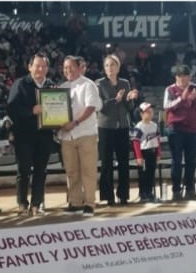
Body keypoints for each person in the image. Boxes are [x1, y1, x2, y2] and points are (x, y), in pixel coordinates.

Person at [5, 53, 57, 215]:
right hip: (24, 136)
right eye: (37, 65)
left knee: (41, 171)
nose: (40, 69)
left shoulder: (52, 86)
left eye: (43, 66)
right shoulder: (20, 84)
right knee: (24, 171)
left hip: (45, 136)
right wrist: (31, 111)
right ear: (30, 67)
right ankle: (22, 204)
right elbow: (11, 109)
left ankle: (36, 204)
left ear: (47, 68)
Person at [57, 56, 102, 215]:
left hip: (85, 133)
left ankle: (90, 203)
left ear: (79, 67)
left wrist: (75, 122)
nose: (67, 70)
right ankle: (75, 202)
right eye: (65, 67)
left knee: (88, 170)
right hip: (66, 136)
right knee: (72, 171)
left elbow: (91, 107)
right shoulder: (62, 87)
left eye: (71, 67)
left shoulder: (88, 84)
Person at [96, 54, 138, 207]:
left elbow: (130, 108)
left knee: (123, 163)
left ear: (118, 67)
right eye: (107, 65)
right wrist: (116, 100)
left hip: (123, 126)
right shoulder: (99, 84)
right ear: (104, 68)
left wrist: (129, 99)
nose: (110, 68)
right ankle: (108, 196)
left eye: (113, 65)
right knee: (107, 163)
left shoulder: (125, 83)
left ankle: (123, 195)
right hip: (105, 127)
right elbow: (99, 106)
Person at [163, 64, 196, 202]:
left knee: (191, 161)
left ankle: (190, 190)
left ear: (189, 76)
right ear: (176, 77)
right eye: (180, 76)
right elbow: (166, 106)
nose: (183, 79)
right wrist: (182, 98)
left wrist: (195, 98)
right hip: (175, 128)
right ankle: (176, 191)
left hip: (192, 129)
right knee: (176, 161)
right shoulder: (170, 89)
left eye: (185, 76)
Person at [134, 102, 161, 203]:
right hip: (143, 152)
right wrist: (138, 156)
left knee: (151, 173)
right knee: (143, 174)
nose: (150, 113)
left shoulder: (154, 125)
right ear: (141, 114)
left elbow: (158, 140)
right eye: (147, 112)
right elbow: (136, 142)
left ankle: (150, 193)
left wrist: (158, 153)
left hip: (152, 152)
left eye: (151, 111)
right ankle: (143, 194)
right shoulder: (138, 126)